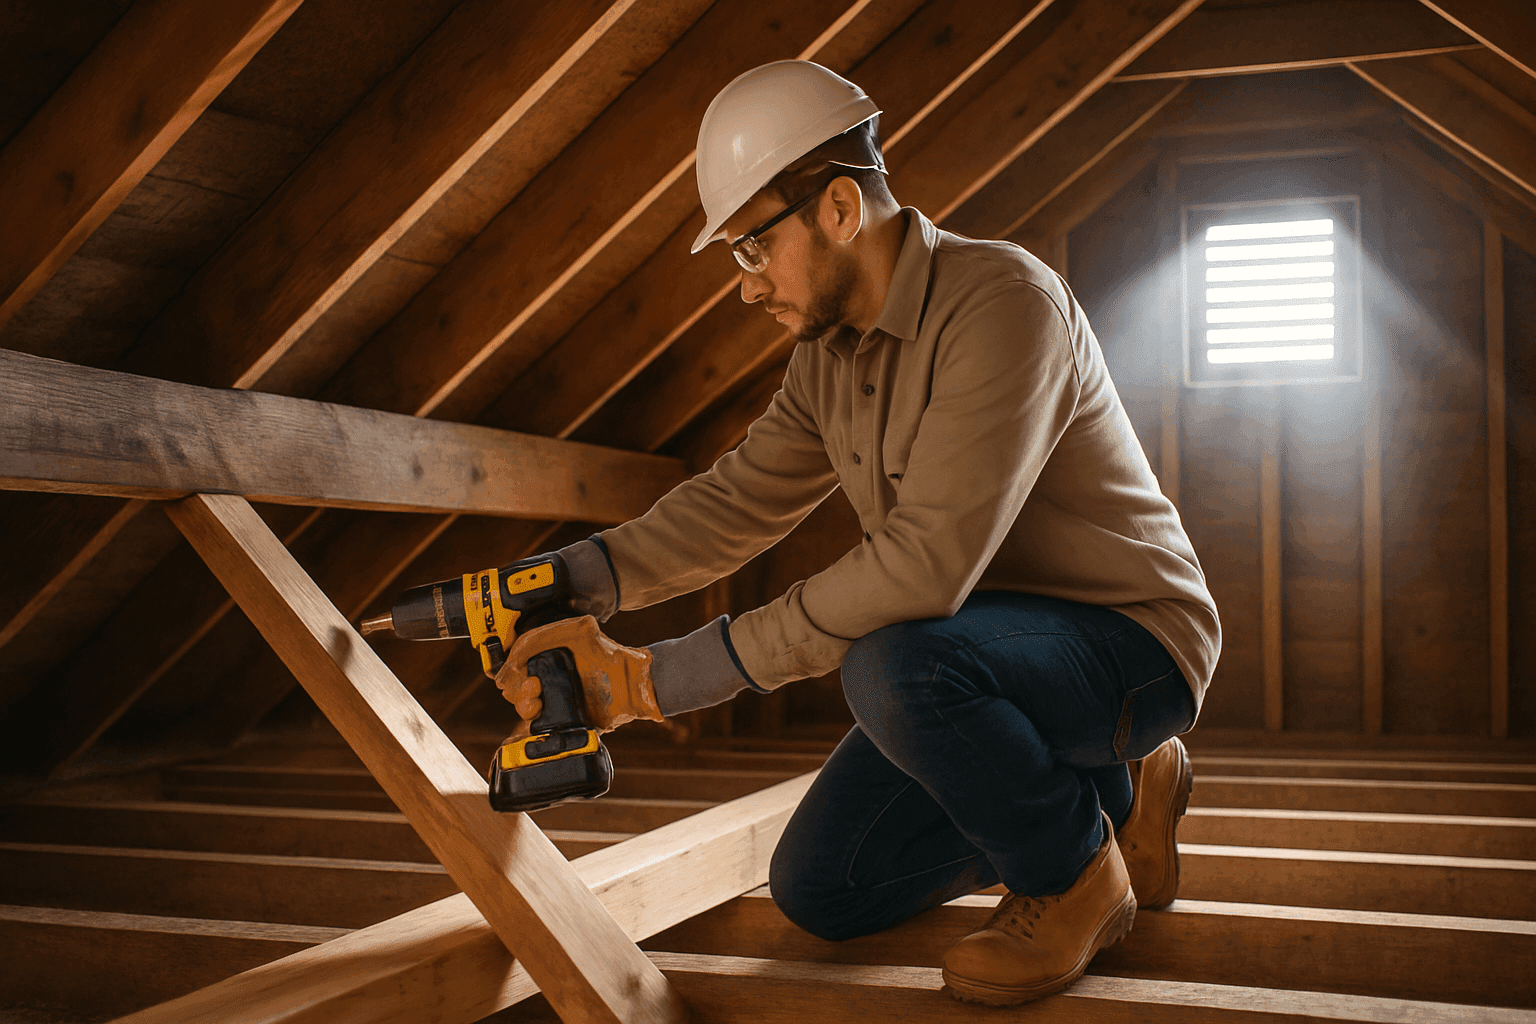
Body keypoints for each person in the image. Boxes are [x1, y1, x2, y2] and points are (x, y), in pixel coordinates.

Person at [496, 60, 1220, 1006]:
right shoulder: (827, 360)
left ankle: (1073, 873)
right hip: (978, 650)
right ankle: (1120, 793)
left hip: (1128, 644)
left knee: (890, 666)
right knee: (823, 888)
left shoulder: (1004, 305)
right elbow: (734, 504)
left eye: (752, 249)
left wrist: (649, 681)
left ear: (839, 208)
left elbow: (922, 569)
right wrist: (573, 579)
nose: (746, 287)